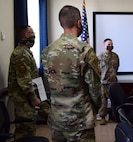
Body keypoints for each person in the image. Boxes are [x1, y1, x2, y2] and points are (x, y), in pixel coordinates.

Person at [41, 5, 102, 142]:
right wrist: (96, 109)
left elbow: (49, 82)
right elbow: (95, 89)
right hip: (79, 120)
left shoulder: (47, 51)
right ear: (79, 22)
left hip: (57, 119)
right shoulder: (85, 51)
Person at [8, 25, 50, 140]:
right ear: (26, 35)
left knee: (30, 128)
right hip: (23, 99)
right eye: (32, 32)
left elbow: (33, 77)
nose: (34, 35)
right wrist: (33, 98)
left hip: (27, 98)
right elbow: (24, 81)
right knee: (25, 131)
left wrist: (40, 96)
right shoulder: (20, 53)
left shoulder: (27, 52)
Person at [98, 38, 119, 125]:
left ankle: (115, 116)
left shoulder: (115, 56)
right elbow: (96, 69)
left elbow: (117, 67)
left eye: (111, 44)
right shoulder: (99, 57)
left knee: (115, 100)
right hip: (103, 83)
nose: (110, 46)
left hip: (113, 82)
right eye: (108, 44)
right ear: (104, 45)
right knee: (103, 101)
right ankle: (103, 117)